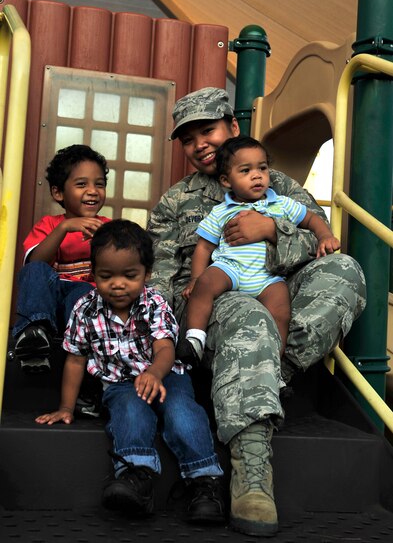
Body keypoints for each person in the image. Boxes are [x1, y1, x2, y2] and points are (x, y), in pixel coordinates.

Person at [147, 87, 366, 537]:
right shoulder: (175, 203)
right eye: (188, 139)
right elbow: (159, 280)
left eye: (207, 130)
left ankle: (270, 372)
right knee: (247, 315)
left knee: (343, 270)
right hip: (214, 310)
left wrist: (272, 229)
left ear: (232, 127)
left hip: (275, 290)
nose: (199, 144)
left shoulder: (276, 183)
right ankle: (252, 474)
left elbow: (320, 241)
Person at [35, 219, 226, 523]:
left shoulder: (154, 303)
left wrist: (154, 373)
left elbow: (165, 348)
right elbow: (75, 360)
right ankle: (137, 477)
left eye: (130, 275)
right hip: (121, 383)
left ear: (147, 274)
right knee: (129, 411)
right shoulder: (85, 309)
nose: (118, 284)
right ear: (94, 273)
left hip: (167, 375)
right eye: (106, 276)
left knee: (181, 413)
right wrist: (65, 407)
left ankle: (204, 483)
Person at [179, 135, 341, 365]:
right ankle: (195, 338)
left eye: (262, 168)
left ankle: (275, 363)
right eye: (245, 171)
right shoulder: (222, 210)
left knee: (281, 311)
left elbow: (310, 219)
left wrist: (324, 235)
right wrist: (195, 278)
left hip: (267, 275)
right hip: (230, 268)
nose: (257, 175)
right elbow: (204, 247)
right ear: (226, 181)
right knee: (204, 285)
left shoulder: (282, 204)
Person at [12, 144, 111, 377]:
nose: (93, 191)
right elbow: (36, 262)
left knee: (83, 292)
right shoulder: (49, 225)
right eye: (81, 184)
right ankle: (34, 334)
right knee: (34, 270)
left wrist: (105, 241)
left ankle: (82, 350)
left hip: (81, 307)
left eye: (99, 184)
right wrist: (64, 228)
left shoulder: (107, 227)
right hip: (48, 302)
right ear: (58, 193)